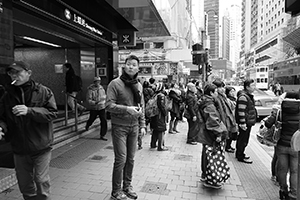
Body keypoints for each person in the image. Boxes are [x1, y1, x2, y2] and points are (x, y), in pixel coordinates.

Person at [0, 61, 57, 200]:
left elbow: (52, 113)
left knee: (41, 180)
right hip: (19, 147)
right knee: (25, 184)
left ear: (29, 73)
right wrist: (1, 127)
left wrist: (29, 111)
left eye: (17, 72)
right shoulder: (7, 95)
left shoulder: (43, 91)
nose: (14, 76)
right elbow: (2, 118)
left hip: (41, 145)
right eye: (11, 73)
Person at [106, 55, 146, 200]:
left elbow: (142, 106)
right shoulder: (115, 84)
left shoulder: (139, 85)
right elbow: (108, 106)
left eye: (134, 65)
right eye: (128, 64)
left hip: (134, 127)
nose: (131, 67)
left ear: (138, 68)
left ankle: (127, 186)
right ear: (124, 66)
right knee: (121, 159)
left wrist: (142, 124)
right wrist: (127, 109)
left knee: (131, 159)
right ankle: (116, 191)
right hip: (119, 127)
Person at [264, 91, 299, 200]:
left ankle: (283, 191)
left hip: (281, 145)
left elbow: (268, 124)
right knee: (294, 171)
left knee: (282, 169)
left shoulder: (279, 110)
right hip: (296, 146)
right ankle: (293, 194)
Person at [198, 83, 228, 189]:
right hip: (210, 134)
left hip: (207, 133)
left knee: (207, 154)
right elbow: (212, 121)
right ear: (211, 93)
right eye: (215, 91)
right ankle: (210, 178)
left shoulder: (207, 102)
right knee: (211, 156)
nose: (217, 93)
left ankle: (206, 175)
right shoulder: (209, 105)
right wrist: (219, 133)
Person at [212, 80, 238, 153]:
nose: (222, 89)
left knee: (221, 147)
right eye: (220, 87)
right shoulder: (216, 98)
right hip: (219, 126)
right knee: (216, 149)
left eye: (223, 87)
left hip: (224, 124)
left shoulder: (223, 97)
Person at [235, 79, 257, 164]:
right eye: (252, 85)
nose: (254, 87)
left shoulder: (247, 95)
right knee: (243, 139)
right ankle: (240, 155)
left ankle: (240, 153)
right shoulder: (243, 97)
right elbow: (241, 111)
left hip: (247, 121)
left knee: (243, 139)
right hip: (245, 123)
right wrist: (243, 123)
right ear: (247, 87)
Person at [85, 77, 108, 141]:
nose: (98, 83)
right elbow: (88, 99)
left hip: (101, 107)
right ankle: (88, 124)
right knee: (92, 118)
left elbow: (104, 96)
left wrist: (104, 101)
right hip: (94, 107)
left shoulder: (101, 89)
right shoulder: (90, 90)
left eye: (99, 81)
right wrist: (94, 102)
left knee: (104, 121)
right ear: (94, 82)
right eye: (96, 81)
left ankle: (102, 135)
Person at [150, 82, 168, 151]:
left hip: (154, 115)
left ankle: (153, 144)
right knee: (161, 130)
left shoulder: (155, 95)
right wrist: (165, 113)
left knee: (155, 130)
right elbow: (162, 106)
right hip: (159, 116)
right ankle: (160, 146)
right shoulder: (161, 96)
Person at [224, 86, 238, 152]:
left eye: (233, 91)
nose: (233, 93)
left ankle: (229, 146)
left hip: (234, 118)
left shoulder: (234, 99)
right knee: (230, 133)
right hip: (230, 118)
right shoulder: (228, 100)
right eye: (231, 91)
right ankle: (227, 146)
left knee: (233, 133)